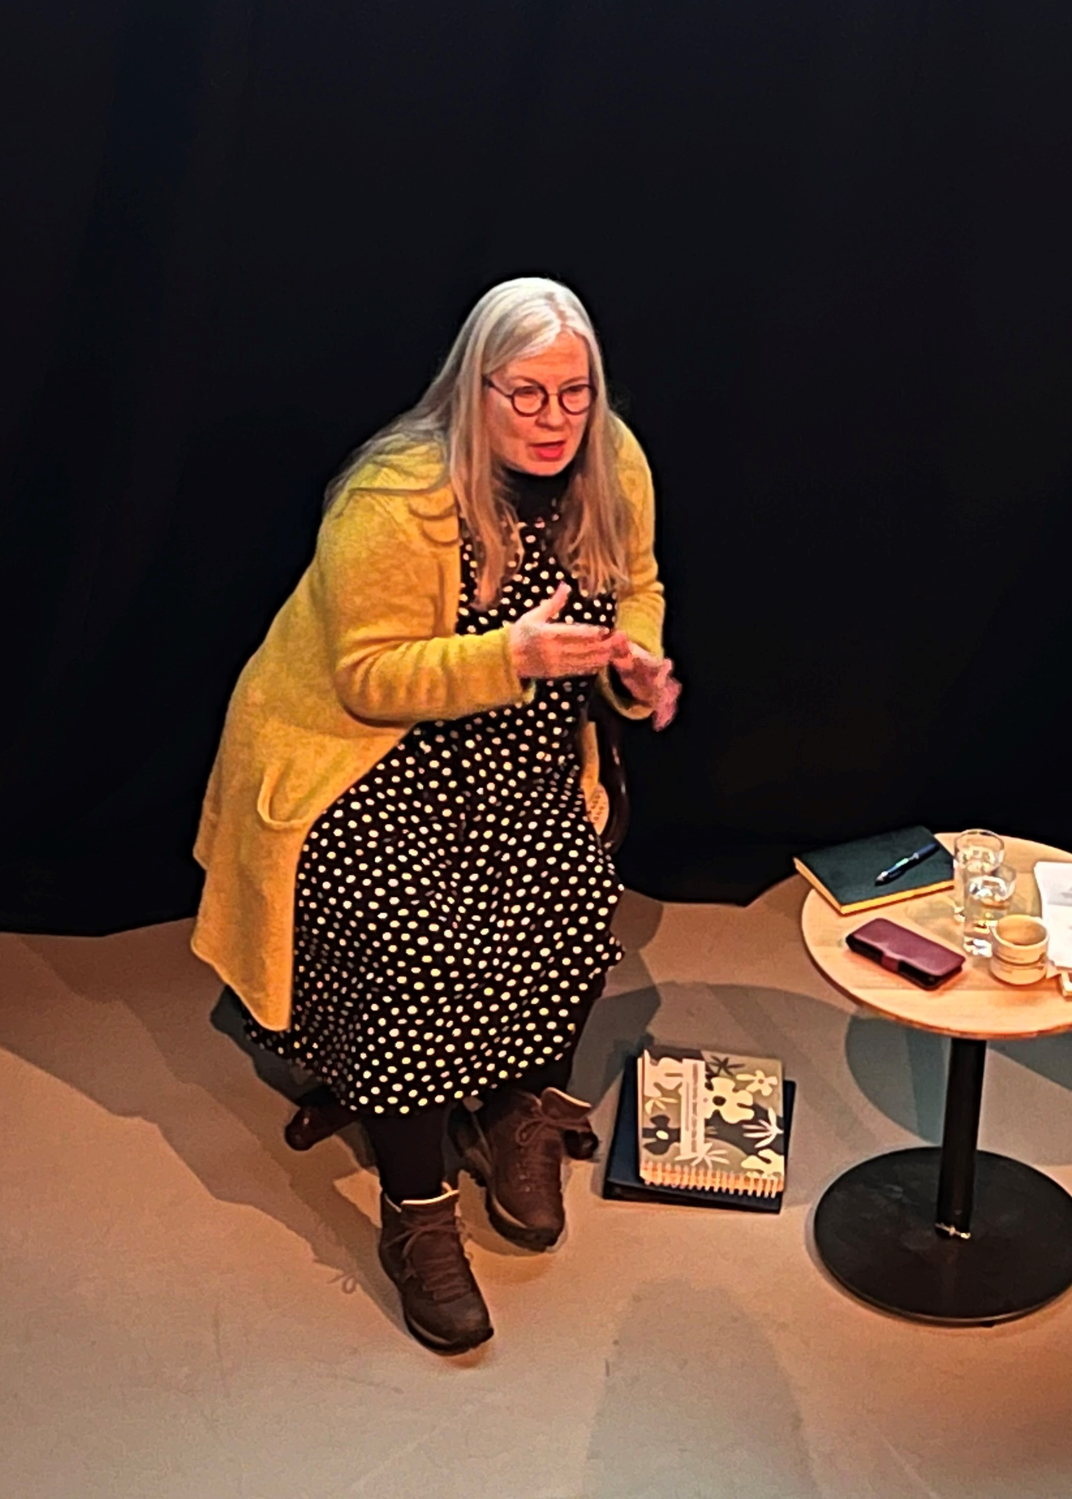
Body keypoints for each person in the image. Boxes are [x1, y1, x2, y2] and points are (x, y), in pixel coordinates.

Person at [192, 277, 680, 1354]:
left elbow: (636, 582)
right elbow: (367, 677)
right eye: (526, 395)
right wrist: (512, 657)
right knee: (419, 940)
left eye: (574, 393)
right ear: (474, 388)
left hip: (523, 747)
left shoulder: (611, 459)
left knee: (570, 895)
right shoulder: (397, 494)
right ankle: (416, 1211)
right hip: (368, 752)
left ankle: (515, 1108)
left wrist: (634, 662)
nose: (555, 420)